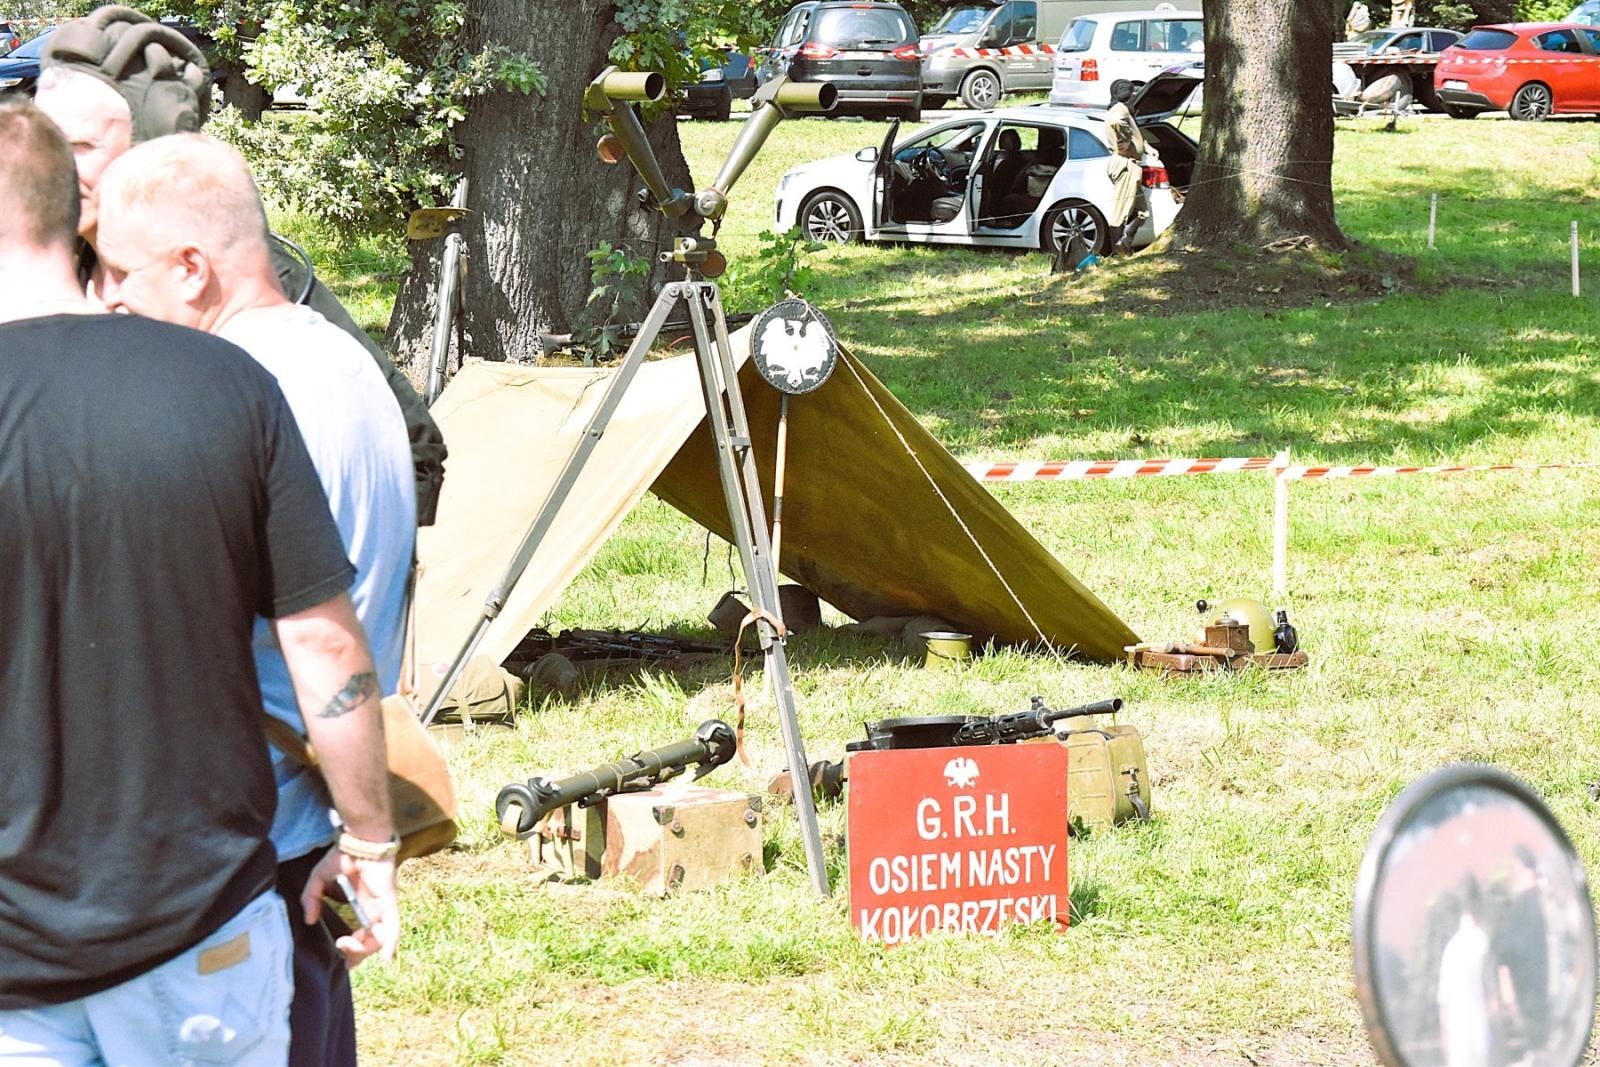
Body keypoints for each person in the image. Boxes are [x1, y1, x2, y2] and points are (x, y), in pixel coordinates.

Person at [0, 102, 398, 1064]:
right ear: (71, 218)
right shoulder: (226, 381)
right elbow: (324, 642)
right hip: (201, 923)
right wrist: (374, 839)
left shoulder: (249, 371)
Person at [36, 4, 447, 526]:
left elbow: (413, 454)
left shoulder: (243, 278)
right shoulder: (46, 267)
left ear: (154, 150)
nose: (58, 168)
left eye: (82, 146)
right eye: (50, 145)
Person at [1104, 79, 1150, 255]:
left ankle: (1125, 242)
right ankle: (1117, 251)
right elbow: (1117, 122)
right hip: (1124, 164)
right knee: (1120, 212)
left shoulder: (1125, 110)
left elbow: (1136, 134)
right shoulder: (1119, 110)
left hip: (1131, 164)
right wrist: (1126, 145)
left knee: (1143, 211)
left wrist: (1146, 147)